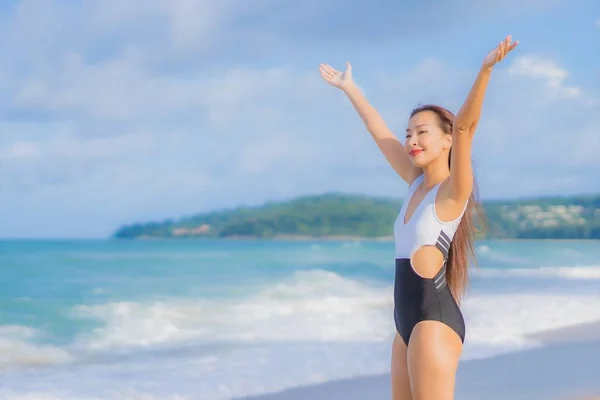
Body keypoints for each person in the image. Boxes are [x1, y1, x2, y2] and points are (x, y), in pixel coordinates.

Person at [319, 35, 519, 399]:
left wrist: (485, 70)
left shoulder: (453, 191)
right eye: (409, 133)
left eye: (421, 133)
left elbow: (464, 127)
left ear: (446, 141)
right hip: (405, 324)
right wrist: (350, 88)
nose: (411, 140)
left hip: (433, 320)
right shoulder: (415, 184)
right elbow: (378, 132)